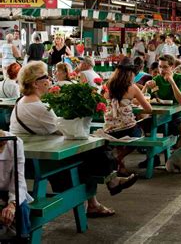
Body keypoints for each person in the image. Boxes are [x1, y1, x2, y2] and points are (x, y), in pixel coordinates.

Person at [10, 61, 138, 217]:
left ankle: (98, 197)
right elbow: (64, 132)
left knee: (88, 151)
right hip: (38, 161)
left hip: (28, 157)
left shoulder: (23, 102)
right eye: (46, 77)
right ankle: (109, 184)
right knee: (91, 150)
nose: (50, 79)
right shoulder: (37, 106)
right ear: (36, 83)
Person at [103, 57, 152, 176]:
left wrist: (129, 102)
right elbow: (148, 109)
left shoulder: (108, 85)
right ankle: (118, 158)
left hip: (109, 129)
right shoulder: (132, 87)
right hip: (127, 129)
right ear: (131, 73)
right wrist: (134, 101)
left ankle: (121, 167)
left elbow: (110, 100)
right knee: (139, 135)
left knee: (121, 134)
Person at [141, 54, 181, 167]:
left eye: (165, 67)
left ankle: (176, 158)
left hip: (177, 115)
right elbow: (146, 99)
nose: (162, 70)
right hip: (160, 116)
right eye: (160, 66)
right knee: (144, 125)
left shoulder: (180, 79)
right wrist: (146, 87)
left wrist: (172, 81)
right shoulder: (156, 79)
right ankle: (153, 157)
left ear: (172, 67)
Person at [0, 129, 32, 239]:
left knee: (22, 208)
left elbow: (19, 179)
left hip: (10, 190)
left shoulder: (15, 143)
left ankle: (23, 238)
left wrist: (12, 204)